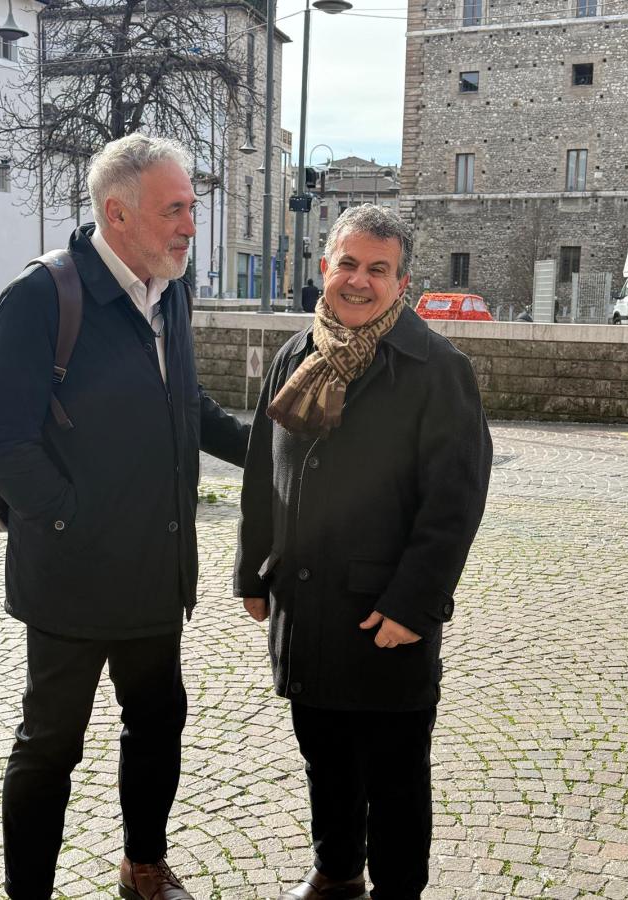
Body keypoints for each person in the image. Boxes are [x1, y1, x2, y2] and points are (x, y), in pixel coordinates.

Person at [0, 134, 249, 900]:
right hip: (71, 578)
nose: (190, 223)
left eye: (192, 205)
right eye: (175, 209)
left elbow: (184, 404)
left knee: (157, 725)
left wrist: (263, 452)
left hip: (157, 572)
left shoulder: (171, 287)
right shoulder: (42, 296)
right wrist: (72, 520)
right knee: (50, 746)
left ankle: (143, 864)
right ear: (117, 213)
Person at [234, 205, 492, 900]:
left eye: (377, 269)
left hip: (384, 617)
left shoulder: (437, 370)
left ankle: (396, 890)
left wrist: (412, 605)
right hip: (306, 606)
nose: (358, 280)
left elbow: (454, 502)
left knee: (395, 778)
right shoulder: (296, 355)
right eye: (347, 263)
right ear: (325, 267)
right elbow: (264, 471)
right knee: (324, 759)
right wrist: (251, 573)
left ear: (401, 283)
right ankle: (338, 872)